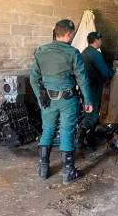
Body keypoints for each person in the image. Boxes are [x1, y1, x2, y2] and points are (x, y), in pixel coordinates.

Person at [30, 19, 93, 184]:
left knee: (48, 130)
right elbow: (82, 79)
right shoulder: (73, 53)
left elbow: (33, 79)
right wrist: (88, 100)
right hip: (68, 100)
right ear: (69, 34)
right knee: (67, 131)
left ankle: (43, 169)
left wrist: (39, 97)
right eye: (72, 33)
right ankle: (68, 172)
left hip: (47, 100)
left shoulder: (41, 51)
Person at [79, 32, 114, 144]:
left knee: (89, 112)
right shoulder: (95, 54)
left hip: (85, 87)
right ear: (96, 40)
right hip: (93, 88)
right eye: (100, 39)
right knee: (92, 114)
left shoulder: (85, 52)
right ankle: (80, 140)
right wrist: (114, 72)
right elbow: (106, 73)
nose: (101, 42)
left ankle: (89, 138)